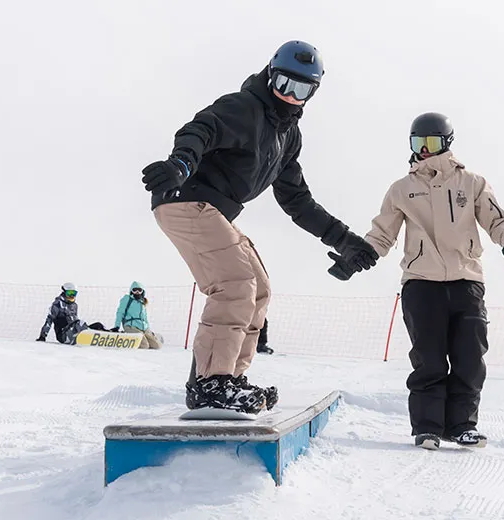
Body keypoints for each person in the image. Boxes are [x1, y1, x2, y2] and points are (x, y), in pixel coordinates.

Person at [141, 40, 378, 414]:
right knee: (235, 283)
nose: (290, 96)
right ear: (270, 75)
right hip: (185, 198)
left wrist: (344, 239)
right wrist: (180, 165)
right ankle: (210, 384)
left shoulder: (288, 138)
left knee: (259, 289)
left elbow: (297, 200)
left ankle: (229, 378)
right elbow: (200, 130)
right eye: (284, 84)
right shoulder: (243, 107)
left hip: (213, 210)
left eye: (301, 90)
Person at [330, 112, 504, 450]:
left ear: (446, 143)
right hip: (421, 283)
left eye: (430, 143)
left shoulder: (472, 183)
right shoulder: (402, 190)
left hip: (466, 280)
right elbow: (382, 234)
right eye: (417, 143)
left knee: (469, 358)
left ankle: (462, 425)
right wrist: (356, 259)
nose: (423, 150)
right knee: (428, 359)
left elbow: (495, 216)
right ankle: (427, 428)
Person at [36, 283, 106, 345]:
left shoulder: (74, 305)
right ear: (64, 293)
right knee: (79, 323)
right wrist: (42, 336)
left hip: (74, 330)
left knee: (98, 325)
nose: (72, 295)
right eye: (69, 293)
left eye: (74, 293)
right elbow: (49, 320)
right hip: (63, 336)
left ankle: (106, 334)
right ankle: (89, 333)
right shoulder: (57, 304)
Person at [111, 281, 163, 349]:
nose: (137, 292)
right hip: (131, 326)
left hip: (143, 328)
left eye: (139, 290)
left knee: (157, 346)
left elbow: (145, 318)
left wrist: (148, 329)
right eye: (135, 290)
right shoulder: (127, 299)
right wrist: (117, 326)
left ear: (142, 291)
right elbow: (120, 312)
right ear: (131, 291)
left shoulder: (143, 302)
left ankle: (150, 337)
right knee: (144, 345)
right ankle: (127, 337)